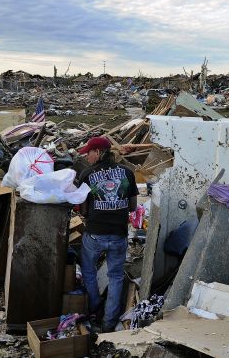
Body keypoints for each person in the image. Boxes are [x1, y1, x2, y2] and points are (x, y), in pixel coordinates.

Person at [76, 136, 138, 332]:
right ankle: (110, 322)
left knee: (88, 271)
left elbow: (84, 211)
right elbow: (133, 206)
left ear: (98, 152)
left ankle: (95, 309)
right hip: (119, 234)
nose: (87, 156)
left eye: (89, 152)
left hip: (95, 235)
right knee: (116, 276)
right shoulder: (128, 173)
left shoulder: (87, 174)